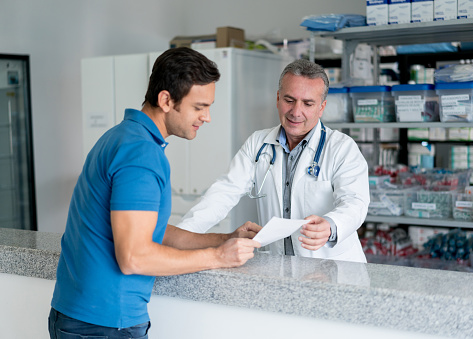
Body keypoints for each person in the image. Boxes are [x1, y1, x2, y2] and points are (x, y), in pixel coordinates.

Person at [48, 47, 261, 338]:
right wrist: (217, 257)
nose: (207, 117)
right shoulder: (141, 154)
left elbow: (151, 231)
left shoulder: (122, 137)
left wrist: (223, 239)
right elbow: (135, 256)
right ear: (166, 100)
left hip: (81, 314)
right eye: (199, 107)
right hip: (105, 324)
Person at [177, 59, 370, 262]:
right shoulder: (258, 143)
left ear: (321, 108)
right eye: (289, 100)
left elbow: (355, 203)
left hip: (333, 268)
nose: (296, 112)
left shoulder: (341, 148)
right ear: (278, 99)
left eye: (308, 103)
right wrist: (181, 236)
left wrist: (331, 225)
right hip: (278, 267)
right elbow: (222, 193)